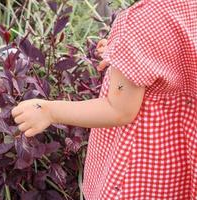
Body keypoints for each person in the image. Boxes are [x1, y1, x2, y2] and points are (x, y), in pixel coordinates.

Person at [11, 0, 197, 199]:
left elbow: (118, 110)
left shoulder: (139, 21)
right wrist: (126, 52)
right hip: (180, 155)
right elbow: (173, 53)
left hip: (143, 165)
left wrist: (49, 111)